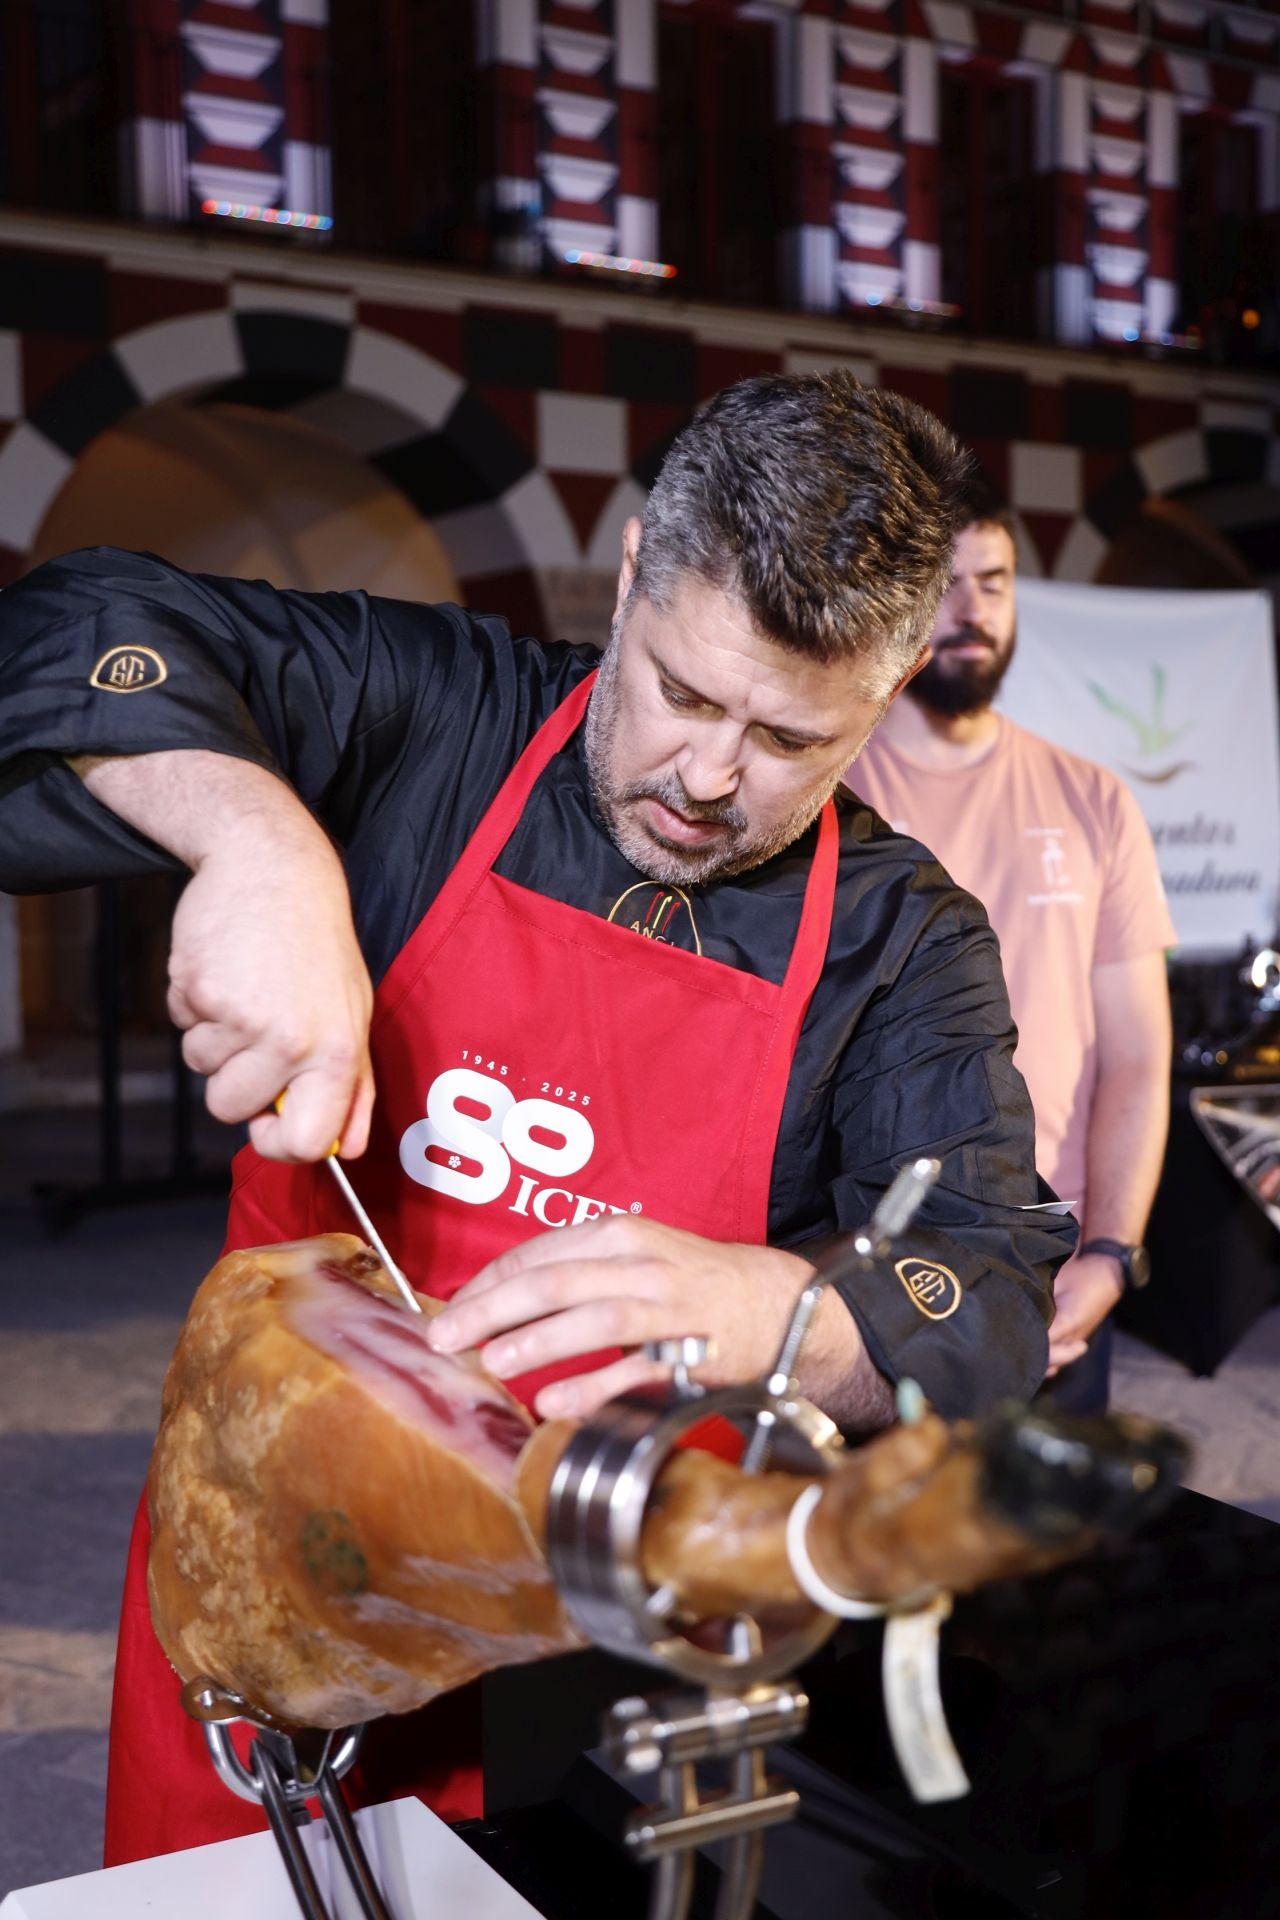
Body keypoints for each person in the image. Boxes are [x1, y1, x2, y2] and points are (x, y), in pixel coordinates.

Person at [0, 374, 1074, 1862]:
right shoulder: (433, 715)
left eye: (787, 740)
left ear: (882, 696)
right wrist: (256, 840)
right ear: (631, 577)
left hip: (607, 1655)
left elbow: (992, 1283)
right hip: (266, 1579)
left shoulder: (902, 943)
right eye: (683, 694)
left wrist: (786, 1311)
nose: (708, 777)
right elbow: (77, 621)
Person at [850, 493, 1175, 1413]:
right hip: (880, 1253)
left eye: (994, 583)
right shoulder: (834, 787)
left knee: (1050, 1511)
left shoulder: (1094, 799)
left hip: (1054, 1254)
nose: (973, 609)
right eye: (946, 584)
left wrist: (1109, 1251)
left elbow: (1138, 1054)